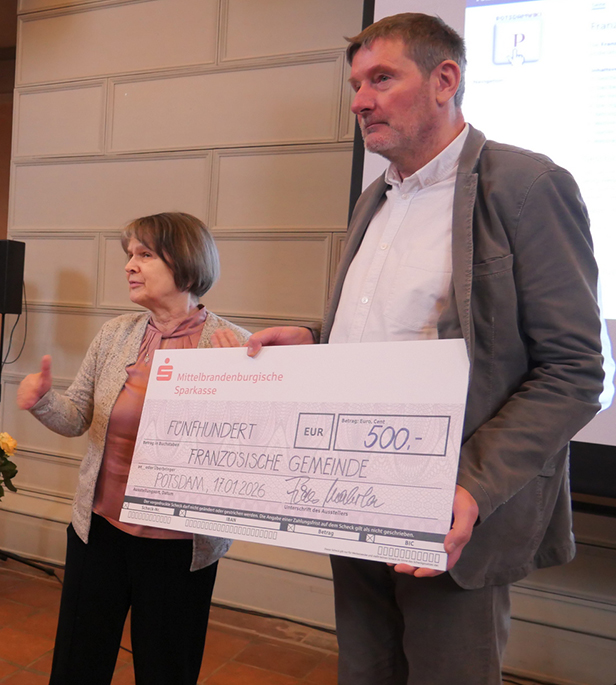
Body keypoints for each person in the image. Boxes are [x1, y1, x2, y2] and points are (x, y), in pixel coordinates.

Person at [247, 14, 605, 685]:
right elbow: (397, 330)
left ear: (445, 80)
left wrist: (472, 484)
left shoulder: (526, 186)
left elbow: (576, 370)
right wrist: (316, 338)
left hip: (451, 510)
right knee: (365, 673)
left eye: (381, 78)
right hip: (350, 494)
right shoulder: (373, 200)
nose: (360, 101)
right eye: (356, 84)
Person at [17, 212, 246, 685]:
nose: (129, 265)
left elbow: (239, 456)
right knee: (78, 664)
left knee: (166, 669)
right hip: (99, 531)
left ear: (185, 263)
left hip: (179, 547)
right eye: (129, 255)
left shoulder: (234, 345)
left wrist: (233, 386)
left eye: (144, 255)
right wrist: (43, 401)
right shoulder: (116, 334)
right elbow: (77, 417)